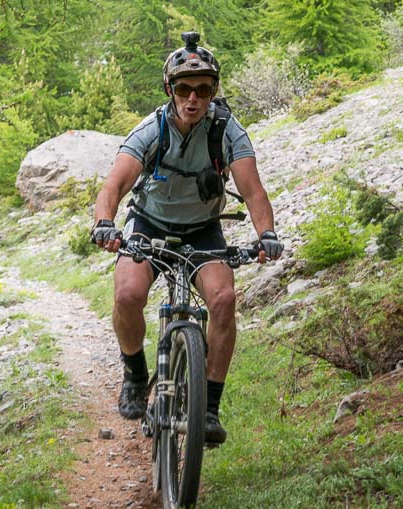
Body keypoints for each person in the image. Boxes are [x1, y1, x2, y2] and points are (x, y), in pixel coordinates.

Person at [91, 32, 284, 444]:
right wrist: (105, 223)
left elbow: (253, 191)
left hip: (202, 228)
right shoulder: (151, 129)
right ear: (170, 91)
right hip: (149, 223)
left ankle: (209, 408)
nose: (193, 98)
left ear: (214, 91)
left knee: (224, 299)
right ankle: (134, 375)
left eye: (203, 89)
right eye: (183, 89)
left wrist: (266, 234)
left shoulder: (226, 131)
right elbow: (112, 187)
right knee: (127, 294)